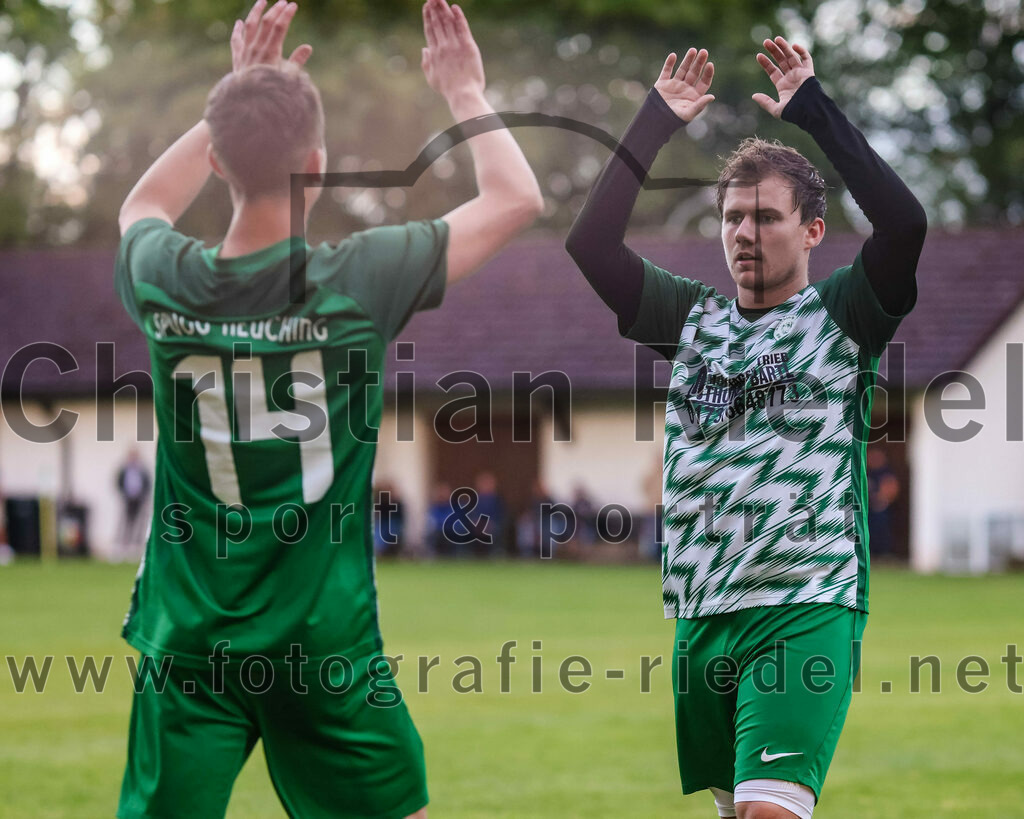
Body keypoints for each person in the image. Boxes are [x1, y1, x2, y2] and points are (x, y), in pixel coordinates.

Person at [114, 0, 541, 816]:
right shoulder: (356, 279)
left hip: (189, 639)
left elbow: (143, 204)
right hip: (321, 644)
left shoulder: (166, 278)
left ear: (217, 160)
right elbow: (516, 196)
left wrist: (233, 95)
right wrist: (464, 92)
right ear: (315, 165)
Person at [566, 38, 926, 819]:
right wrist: (654, 122)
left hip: (806, 600)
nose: (743, 232)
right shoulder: (688, 319)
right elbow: (589, 245)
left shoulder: (843, 313)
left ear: (812, 230)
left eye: (765, 216)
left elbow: (904, 225)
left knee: (769, 812)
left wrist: (816, 113)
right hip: (701, 614)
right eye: (732, 216)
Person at [865, 446, 900, 560]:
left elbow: (892, 488)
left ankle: (884, 553)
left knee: (882, 531)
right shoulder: (866, 472)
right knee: (868, 530)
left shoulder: (885, 472)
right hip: (868, 508)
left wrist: (881, 499)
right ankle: (870, 553)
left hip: (881, 508)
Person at [115, 449, 150, 558]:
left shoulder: (142, 470)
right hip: (128, 499)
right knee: (126, 522)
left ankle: (136, 545)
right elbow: (119, 482)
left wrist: (143, 495)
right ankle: (123, 544)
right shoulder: (124, 469)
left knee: (139, 523)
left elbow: (147, 484)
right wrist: (123, 495)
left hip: (139, 499)